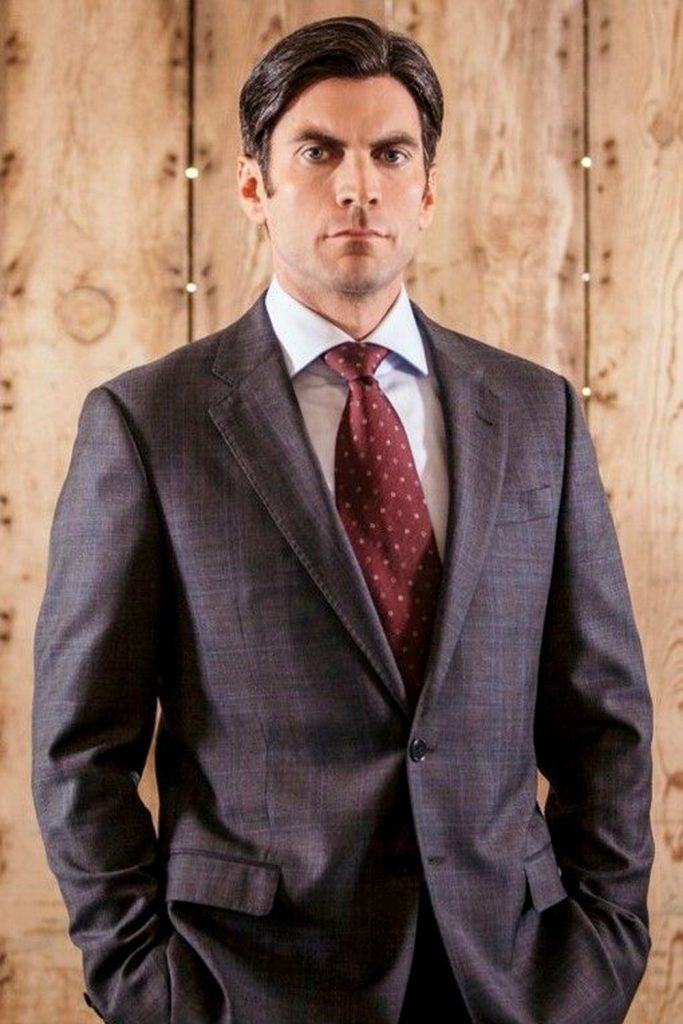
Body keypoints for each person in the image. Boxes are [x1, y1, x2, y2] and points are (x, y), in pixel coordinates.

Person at [32, 16, 654, 1024]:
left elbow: (604, 717)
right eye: (318, 152)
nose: (358, 184)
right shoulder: (150, 425)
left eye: (390, 154)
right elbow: (81, 751)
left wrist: (601, 948)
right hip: (247, 983)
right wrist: (146, 984)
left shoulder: (534, 413)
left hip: (513, 977)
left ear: (427, 190)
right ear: (253, 188)